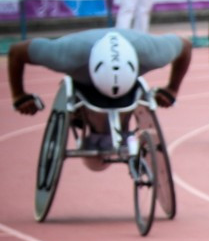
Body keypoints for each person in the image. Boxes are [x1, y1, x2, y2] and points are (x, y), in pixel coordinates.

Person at [8, 29, 192, 167]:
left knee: (122, 108)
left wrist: (172, 89)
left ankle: (112, 123)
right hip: (82, 69)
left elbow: (185, 45)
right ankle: (82, 117)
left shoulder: (151, 53)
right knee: (91, 111)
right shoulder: (65, 54)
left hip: (128, 65)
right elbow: (17, 52)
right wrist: (18, 95)